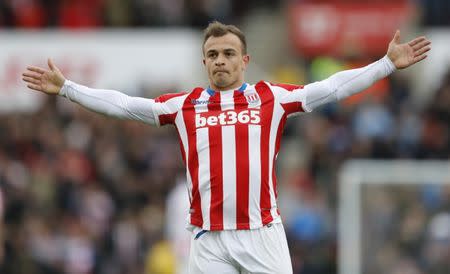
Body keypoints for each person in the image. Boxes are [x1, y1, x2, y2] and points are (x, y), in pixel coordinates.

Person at [22, 21, 431, 274]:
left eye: (228, 53)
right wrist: (69, 89)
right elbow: (127, 106)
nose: (220, 60)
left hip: (262, 234)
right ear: (204, 62)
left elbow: (330, 88)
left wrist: (385, 64)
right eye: (212, 54)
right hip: (209, 239)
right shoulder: (185, 106)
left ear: (245, 60)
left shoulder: (272, 98)